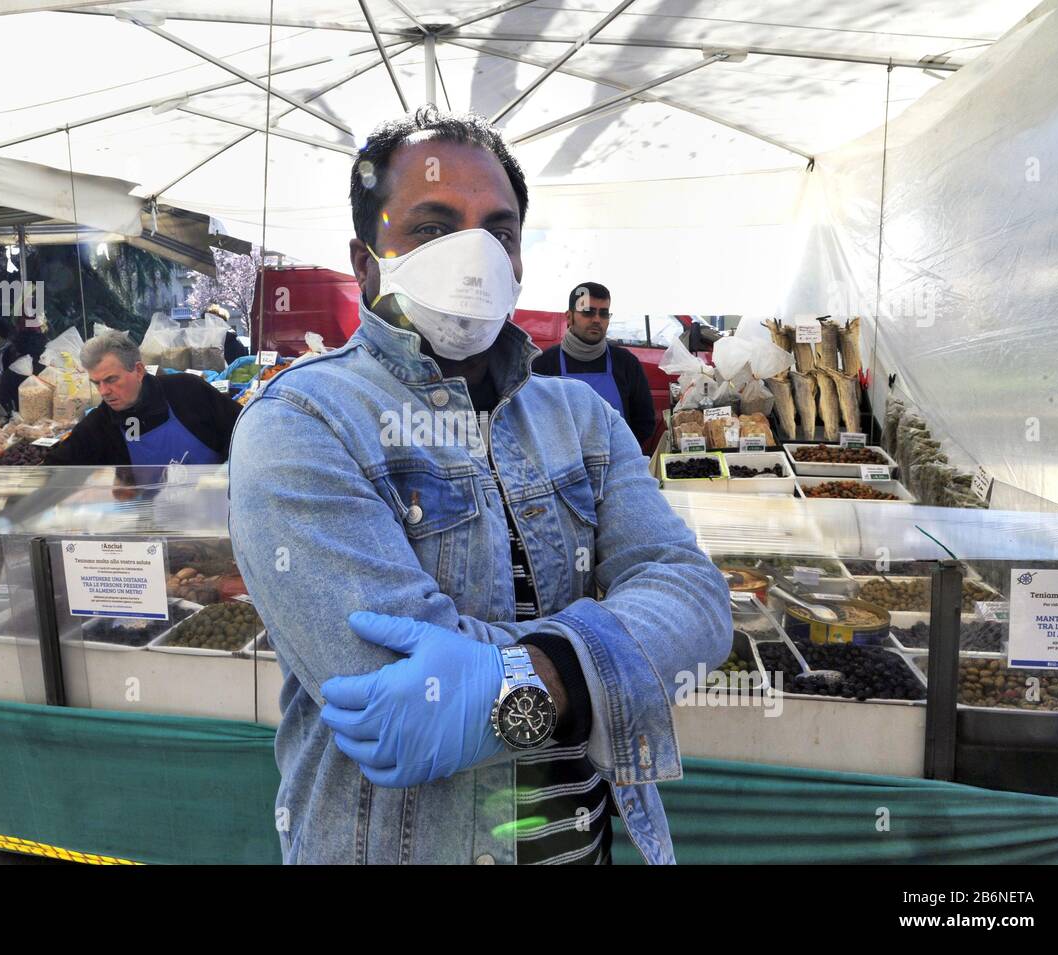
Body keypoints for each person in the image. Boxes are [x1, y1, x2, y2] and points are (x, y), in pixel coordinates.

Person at [228, 108, 731, 865]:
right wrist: (608, 653)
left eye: (498, 231)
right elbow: (391, 690)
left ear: (522, 259)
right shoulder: (301, 421)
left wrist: (541, 674)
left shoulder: (583, 417)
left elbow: (695, 597)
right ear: (366, 262)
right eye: (432, 228)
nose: (474, 255)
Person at [43, 330, 240, 467]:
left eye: (111, 379)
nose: (103, 391)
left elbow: (243, 429)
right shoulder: (100, 425)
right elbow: (55, 467)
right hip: (153, 523)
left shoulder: (188, 390)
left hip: (216, 512)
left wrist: (225, 472)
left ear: (138, 370)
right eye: (96, 383)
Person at [532, 283, 658, 446]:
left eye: (604, 313)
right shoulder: (543, 365)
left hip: (616, 465)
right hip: (563, 467)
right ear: (569, 317)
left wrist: (621, 453)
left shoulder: (626, 363)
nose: (597, 319)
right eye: (588, 312)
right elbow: (532, 425)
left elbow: (645, 422)